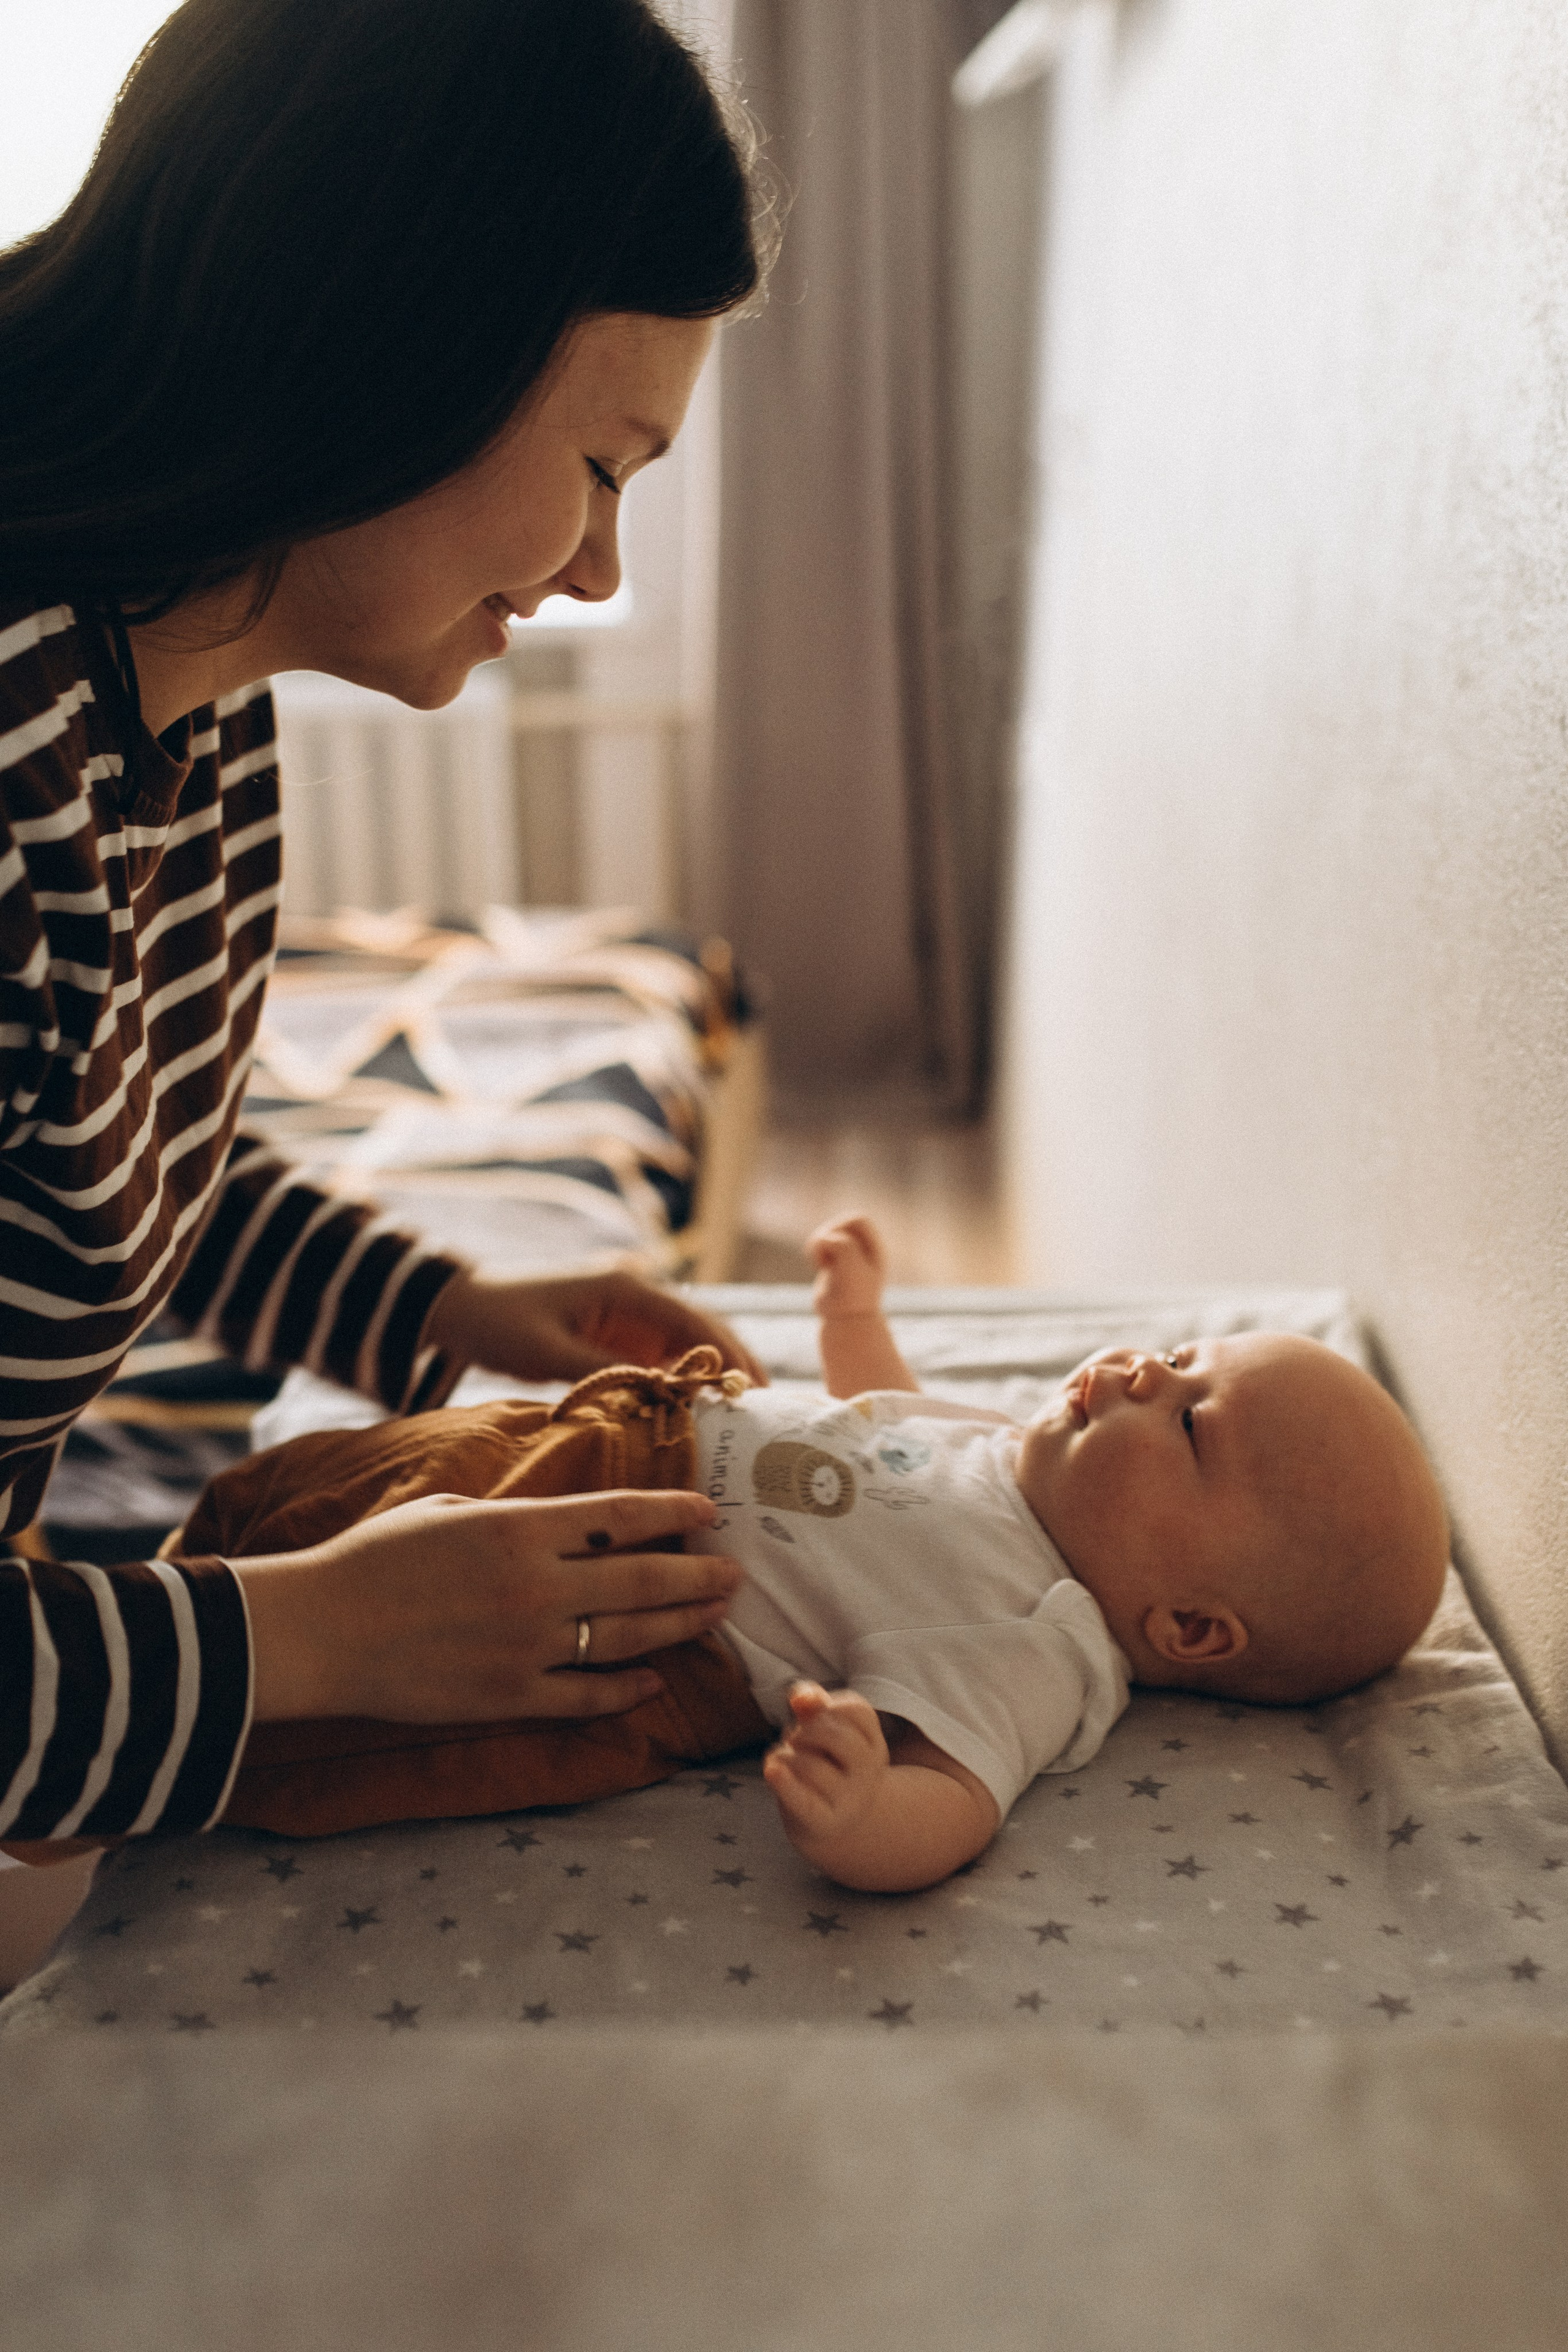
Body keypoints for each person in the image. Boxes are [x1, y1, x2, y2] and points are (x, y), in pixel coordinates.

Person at [0, 0, 772, 1849]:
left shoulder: (183, 694)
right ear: (403, 337)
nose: (599, 569)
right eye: (605, 467)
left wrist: (441, 1307)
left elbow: (93, 1155)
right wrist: (314, 1638)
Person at [173, 1215, 1451, 1891]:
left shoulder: (1042, 1641)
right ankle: (180, 1589)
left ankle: (162, 1744)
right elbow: (879, 1424)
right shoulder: (1008, 1446)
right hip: (595, 1437)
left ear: (1189, 1628)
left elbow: (957, 1797)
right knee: (292, 1505)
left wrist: (861, 1816)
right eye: (1174, 1355)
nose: (1136, 1370)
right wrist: (857, 1321)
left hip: (602, 1618)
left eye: (1188, 1421)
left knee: (308, 1722)